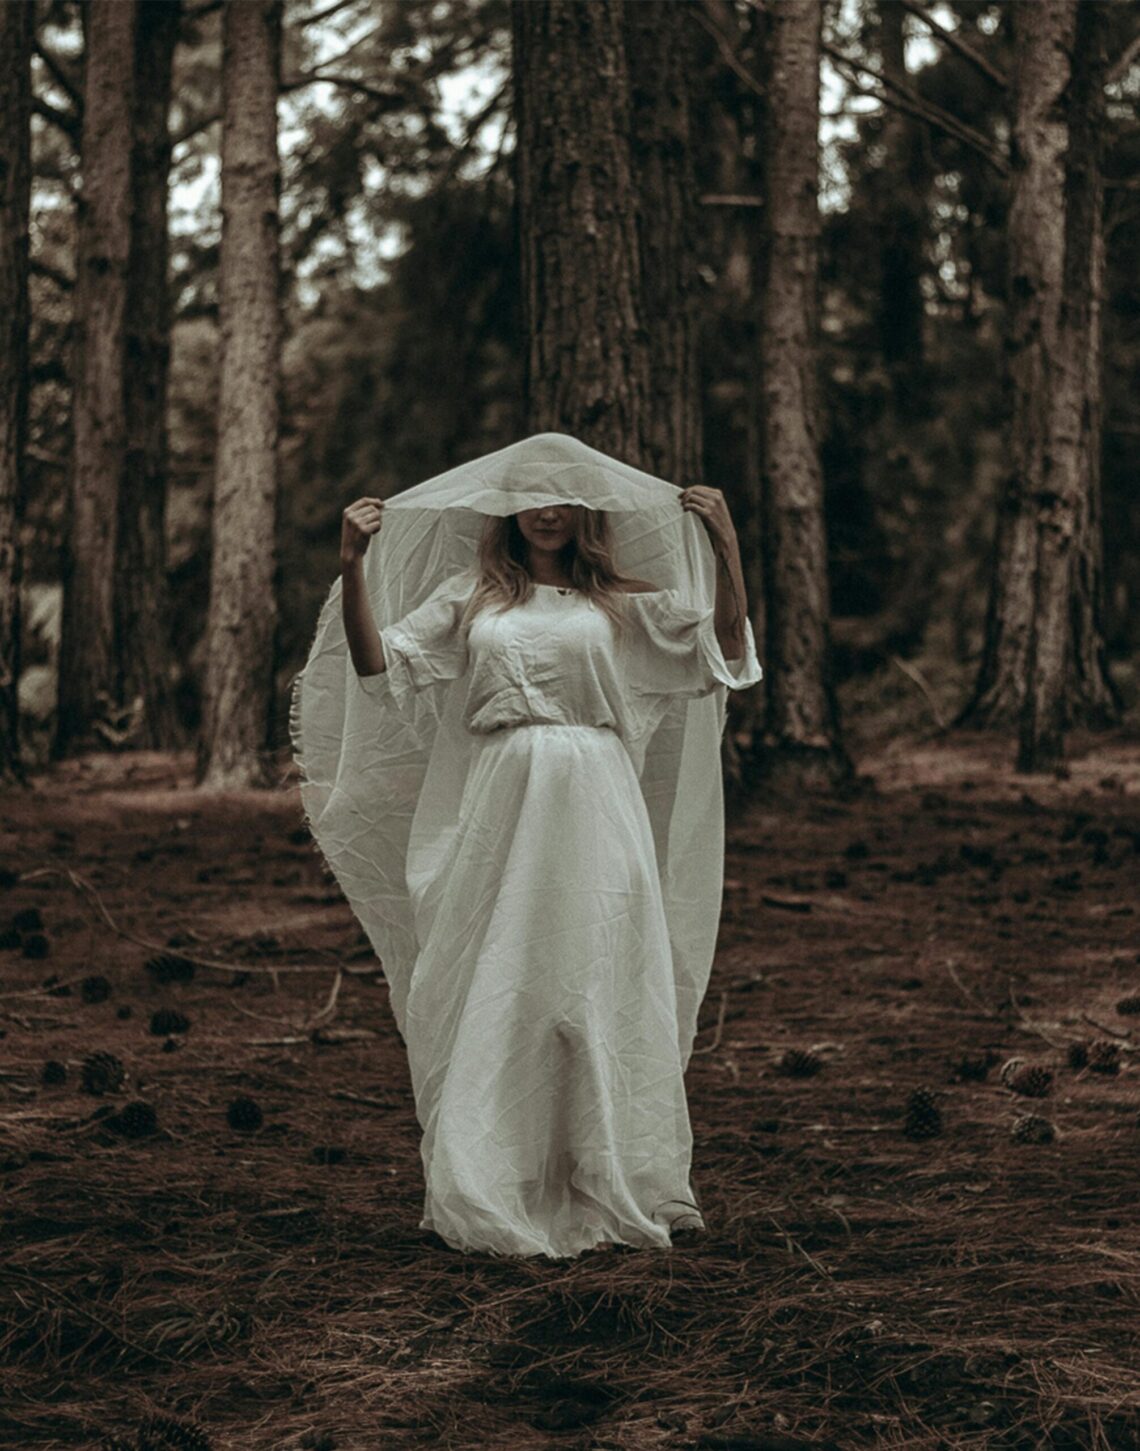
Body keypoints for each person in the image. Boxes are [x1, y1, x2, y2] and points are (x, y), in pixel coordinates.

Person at [290, 433, 762, 1259]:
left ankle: (604, 1170)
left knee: (592, 974)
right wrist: (352, 562)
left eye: (561, 495)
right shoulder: (472, 595)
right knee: (503, 973)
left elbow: (722, 652)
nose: (546, 509)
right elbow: (378, 666)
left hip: (594, 790)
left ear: (583, 510)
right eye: (529, 494)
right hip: (503, 792)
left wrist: (724, 544)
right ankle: (493, 1174)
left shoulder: (621, 602)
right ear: (507, 508)